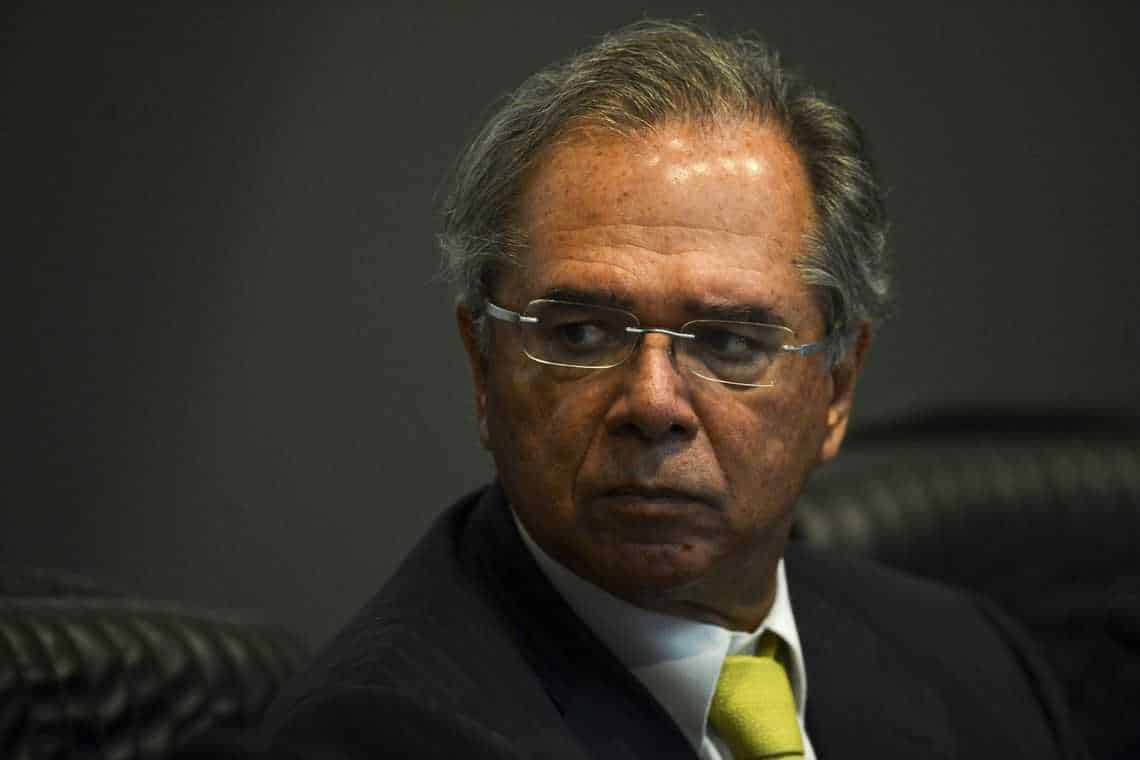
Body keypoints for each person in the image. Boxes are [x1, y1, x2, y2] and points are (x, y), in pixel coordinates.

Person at [255, 19, 1085, 759]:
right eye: (581, 334)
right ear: (483, 366)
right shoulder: (378, 733)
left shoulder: (974, 664)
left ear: (837, 387)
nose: (653, 404)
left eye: (730, 342)